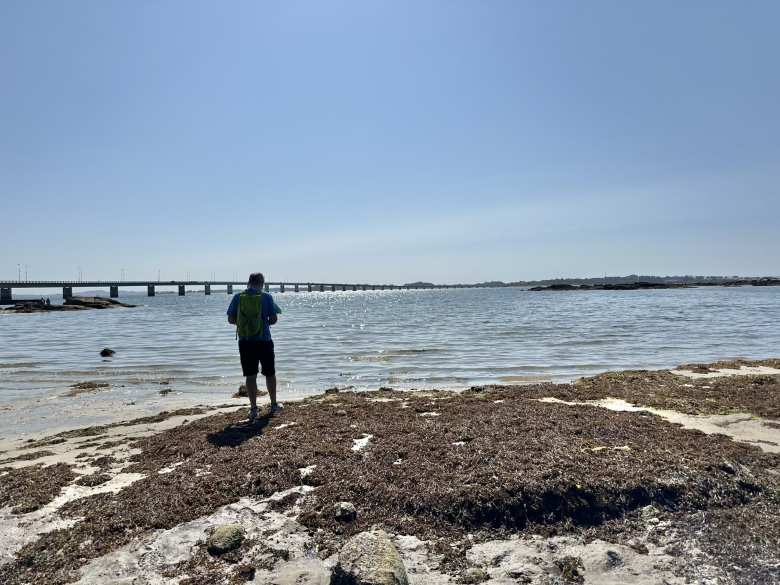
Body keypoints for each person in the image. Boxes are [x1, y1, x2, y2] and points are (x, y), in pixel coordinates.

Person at [227, 272, 282, 422]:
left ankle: (253, 409)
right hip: (264, 340)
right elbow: (274, 318)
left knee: (250, 375)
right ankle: (274, 405)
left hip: (245, 342)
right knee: (270, 373)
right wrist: (262, 324)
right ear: (262, 283)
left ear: (248, 282)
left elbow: (231, 319)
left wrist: (245, 324)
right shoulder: (266, 297)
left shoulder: (238, 297)